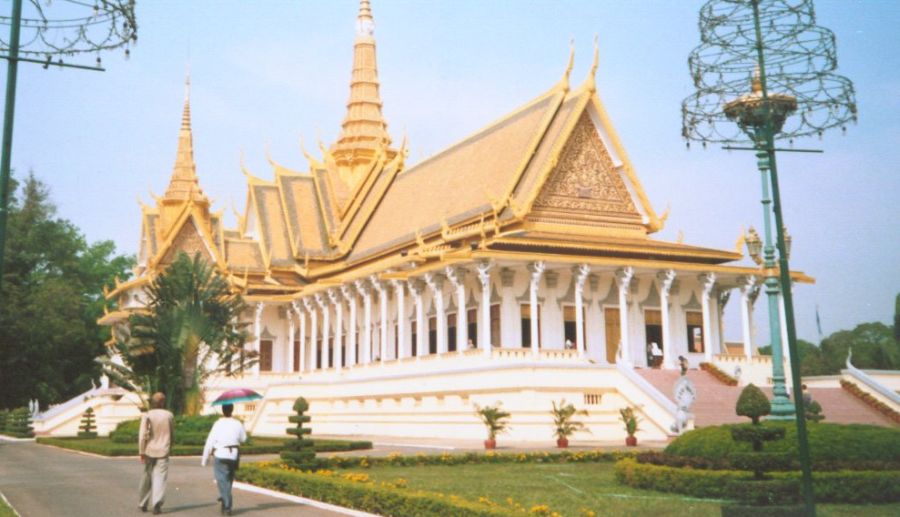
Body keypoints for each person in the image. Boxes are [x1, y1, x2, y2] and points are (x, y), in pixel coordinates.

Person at [202, 404, 247, 516]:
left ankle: (227, 505)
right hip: (234, 455)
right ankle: (224, 497)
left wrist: (205, 458)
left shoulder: (218, 423)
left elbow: (210, 441)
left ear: (222, 410)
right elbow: (244, 439)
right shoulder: (237, 423)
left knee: (222, 480)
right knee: (228, 479)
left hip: (221, 454)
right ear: (232, 410)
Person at [138, 392, 174, 514]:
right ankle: (157, 504)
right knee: (160, 477)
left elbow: (142, 435)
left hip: (149, 449)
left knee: (146, 476)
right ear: (163, 402)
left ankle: (143, 502)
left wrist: (141, 451)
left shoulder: (147, 415)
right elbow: (172, 434)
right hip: (163, 449)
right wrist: (171, 447)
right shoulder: (169, 415)